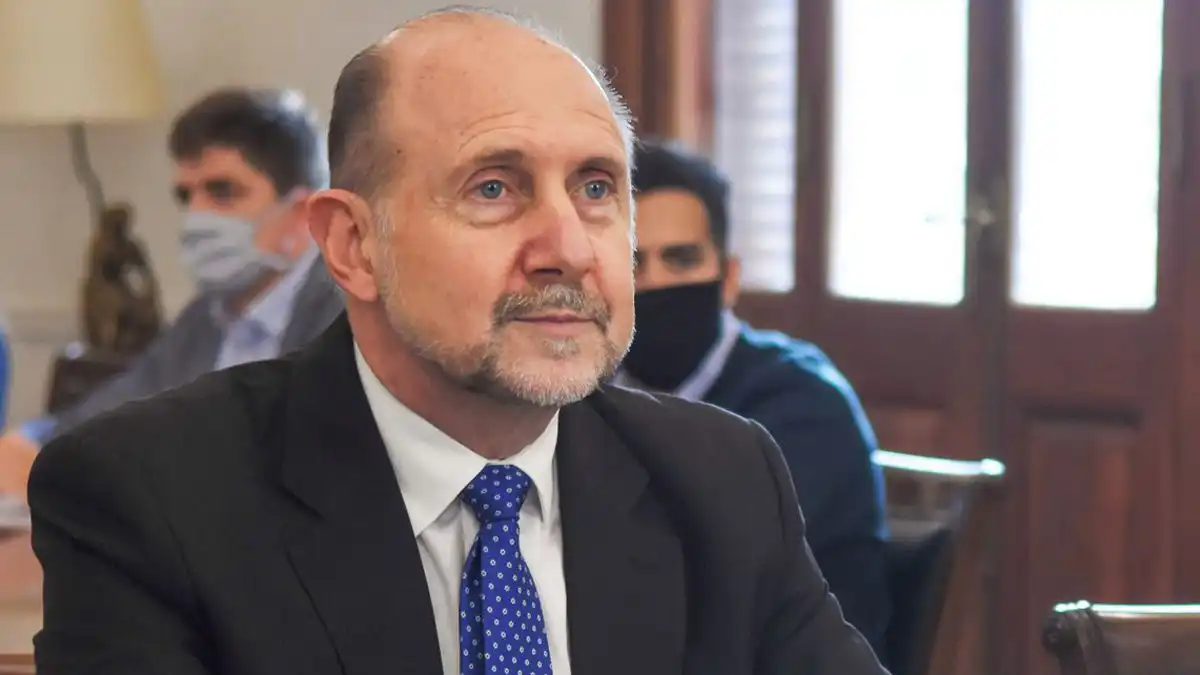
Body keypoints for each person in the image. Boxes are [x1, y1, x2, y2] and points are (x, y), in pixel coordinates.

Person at [28, 7, 888, 675]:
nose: (568, 247)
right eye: (493, 188)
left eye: (596, 188)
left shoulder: (723, 477)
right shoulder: (151, 496)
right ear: (353, 246)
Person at [0, 87, 343, 500]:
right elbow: (115, 409)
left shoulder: (347, 316)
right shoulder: (207, 316)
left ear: (303, 215)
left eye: (222, 191)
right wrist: (33, 442)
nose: (197, 215)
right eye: (186, 195)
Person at [617, 140, 892, 654]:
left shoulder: (804, 405)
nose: (655, 284)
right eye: (633, 264)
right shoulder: (593, 395)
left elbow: (722, 577)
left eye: (681, 260)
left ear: (729, 278)